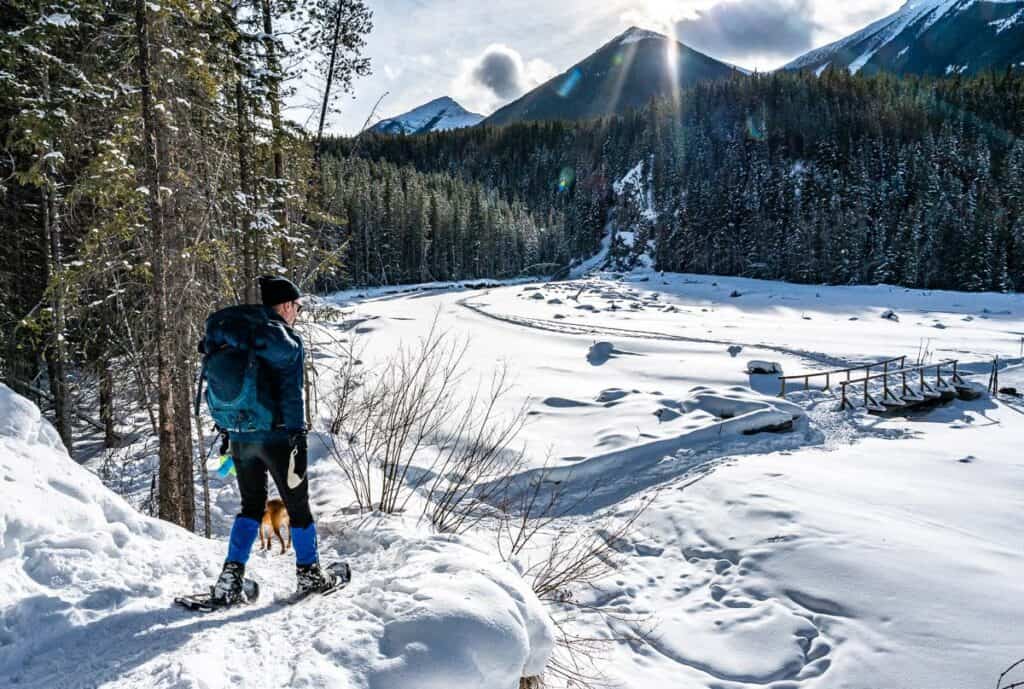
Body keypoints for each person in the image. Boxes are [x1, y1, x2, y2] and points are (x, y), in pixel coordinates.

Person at [203, 275, 336, 604]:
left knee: (250, 506)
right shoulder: (284, 339)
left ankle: (230, 578)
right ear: (287, 305)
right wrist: (297, 436)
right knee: (298, 505)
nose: (297, 314)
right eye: (297, 308)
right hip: (278, 437)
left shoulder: (235, 333)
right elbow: (291, 393)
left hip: (239, 436)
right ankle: (309, 574)